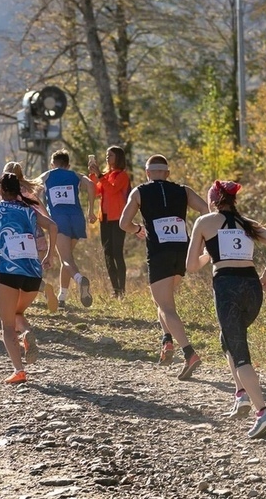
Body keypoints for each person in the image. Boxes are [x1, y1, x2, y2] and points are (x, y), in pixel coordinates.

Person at [186, 180, 266, 439]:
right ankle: (241, 396)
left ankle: (262, 412)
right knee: (227, 339)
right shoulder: (247, 224)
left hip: (227, 287)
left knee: (240, 351)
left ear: (213, 200)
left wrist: (208, 253)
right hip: (253, 288)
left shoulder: (204, 222)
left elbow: (192, 265)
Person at [119, 155, 209, 372]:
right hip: (182, 251)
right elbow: (206, 210)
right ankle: (166, 339)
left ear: (147, 173)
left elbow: (124, 223)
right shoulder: (183, 190)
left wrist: (138, 229)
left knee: (167, 306)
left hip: (159, 253)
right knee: (162, 301)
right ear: (167, 173)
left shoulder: (139, 191)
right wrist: (201, 238)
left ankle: (189, 353)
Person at [0, 172, 58, 384]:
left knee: (7, 324)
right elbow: (53, 226)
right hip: (33, 274)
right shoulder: (30, 209)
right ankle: (27, 333)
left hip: (9, 271)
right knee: (17, 311)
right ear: (18, 191)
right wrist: (49, 254)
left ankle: (19, 371)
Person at [38, 150, 96, 310]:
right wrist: (91, 211)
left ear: (52, 163)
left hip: (58, 219)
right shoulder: (76, 175)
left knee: (66, 259)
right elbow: (91, 185)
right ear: (68, 164)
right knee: (67, 257)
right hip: (77, 218)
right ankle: (62, 297)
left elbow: (33, 189)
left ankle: (80, 280)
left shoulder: (47, 175)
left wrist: (42, 212)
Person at [2, 162, 57, 312]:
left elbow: (0, 209)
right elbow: (41, 208)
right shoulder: (27, 190)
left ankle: (40, 290)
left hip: (16, 234)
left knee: (17, 273)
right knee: (32, 271)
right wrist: (49, 221)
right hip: (36, 232)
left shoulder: (6, 190)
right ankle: (40, 290)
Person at [88, 146, 133, 297]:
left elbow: (113, 189)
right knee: (107, 253)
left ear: (118, 157)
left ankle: (122, 289)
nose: (107, 157)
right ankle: (115, 290)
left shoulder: (122, 175)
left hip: (118, 218)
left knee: (117, 253)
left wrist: (100, 175)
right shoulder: (106, 175)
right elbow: (96, 191)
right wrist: (94, 176)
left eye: (111, 155)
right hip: (105, 218)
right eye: (107, 155)